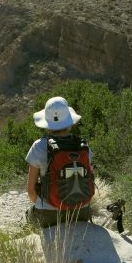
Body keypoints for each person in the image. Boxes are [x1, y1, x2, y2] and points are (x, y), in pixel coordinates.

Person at [25, 96, 93, 227]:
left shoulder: (39, 146)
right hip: (81, 212)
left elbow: (31, 190)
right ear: (69, 121)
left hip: (48, 215)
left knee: (28, 215)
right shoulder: (83, 145)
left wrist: (45, 204)